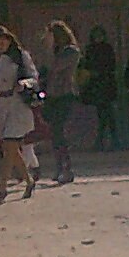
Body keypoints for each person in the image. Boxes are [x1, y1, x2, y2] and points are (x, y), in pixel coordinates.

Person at [0, 25, 41, 202]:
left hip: (18, 105)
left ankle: (2, 188)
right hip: (0, 106)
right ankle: (29, 180)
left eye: (3, 41)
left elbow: (34, 77)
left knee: (10, 144)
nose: (0, 44)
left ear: (9, 40)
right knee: (11, 148)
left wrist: (24, 84)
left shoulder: (21, 56)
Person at [39, 20, 81, 183]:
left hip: (64, 94)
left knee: (60, 130)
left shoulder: (70, 51)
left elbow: (55, 67)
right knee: (54, 132)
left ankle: (66, 167)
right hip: (52, 95)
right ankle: (59, 166)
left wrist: (49, 50)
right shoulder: (55, 51)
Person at [80, 26, 119, 149]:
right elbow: (87, 64)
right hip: (97, 84)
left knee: (107, 113)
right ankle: (106, 140)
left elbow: (111, 65)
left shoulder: (106, 48)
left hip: (104, 83)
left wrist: (99, 73)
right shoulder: (91, 49)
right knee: (103, 113)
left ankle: (108, 140)